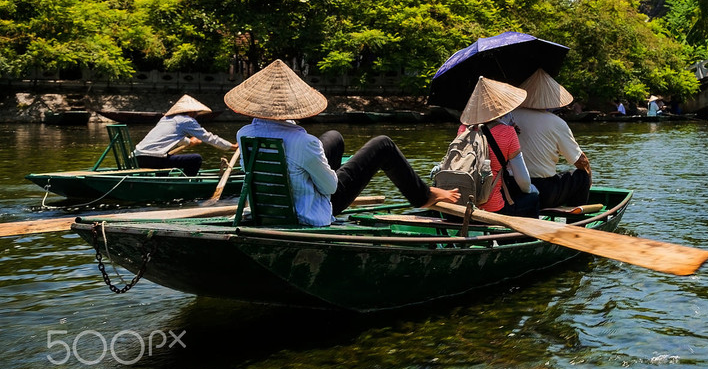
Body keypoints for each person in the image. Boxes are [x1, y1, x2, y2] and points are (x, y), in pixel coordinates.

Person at [224, 59, 458, 227]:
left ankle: (422, 192)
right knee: (383, 144)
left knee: (334, 137)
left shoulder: (244, 134)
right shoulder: (304, 142)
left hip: (272, 206)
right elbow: (330, 189)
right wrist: (326, 172)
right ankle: (423, 196)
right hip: (308, 212)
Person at [457, 76, 539, 217]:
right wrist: (531, 189)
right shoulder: (507, 132)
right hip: (492, 208)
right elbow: (524, 182)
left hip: (463, 205)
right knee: (534, 195)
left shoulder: (463, 130)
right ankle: (513, 239)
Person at [511, 69, 592, 210]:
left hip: (510, 189)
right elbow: (581, 161)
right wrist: (589, 180)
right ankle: (576, 225)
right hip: (544, 192)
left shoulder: (507, 117)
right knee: (582, 175)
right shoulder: (556, 122)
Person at [133, 94, 235, 176]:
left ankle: (165, 182)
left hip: (137, 157)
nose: (196, 115)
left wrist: (190, 142)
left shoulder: (166, 119)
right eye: (196, 113)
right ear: (191, 111)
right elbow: (208, 138)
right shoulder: (187, 120)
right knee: (196, 159)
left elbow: (173, 137)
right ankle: (188, 182)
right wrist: (231, 146)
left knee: (168, 158)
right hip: (154, 159)